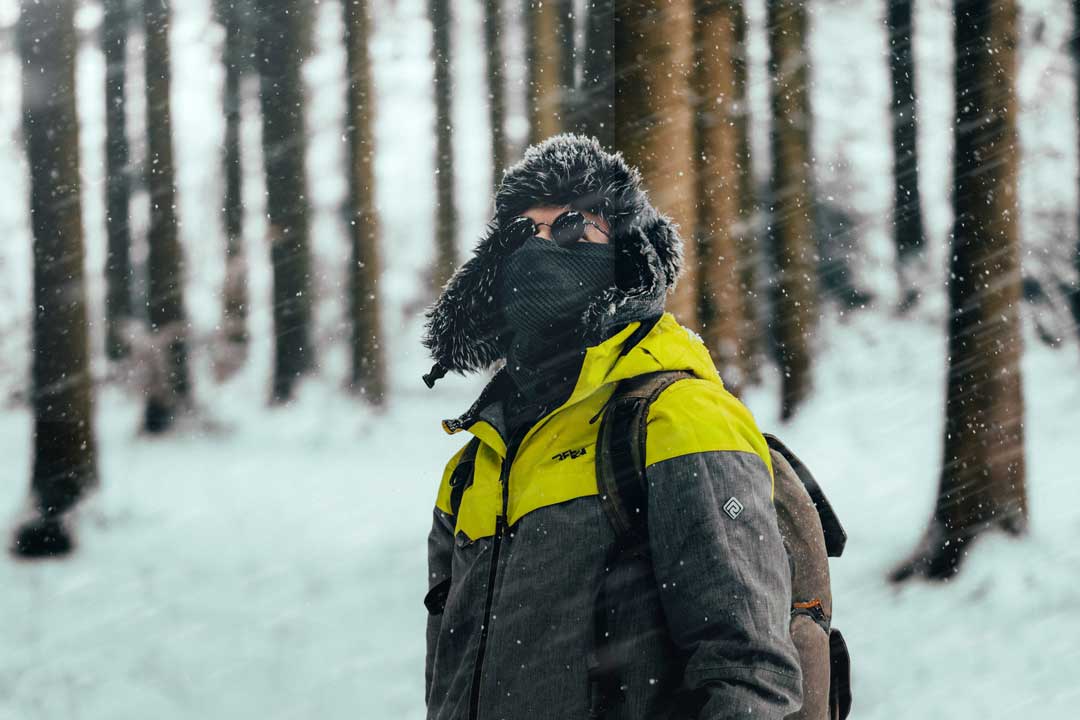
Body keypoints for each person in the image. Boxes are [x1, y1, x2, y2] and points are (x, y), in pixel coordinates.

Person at [421, 134, 802, 720]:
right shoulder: (476, 461)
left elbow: (748, 672)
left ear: (626, 248)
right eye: (524, 234)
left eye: (573, 228)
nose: (542, 249)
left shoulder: (681, 420)